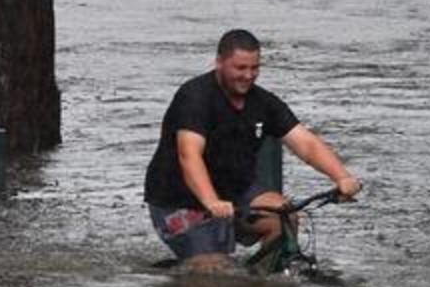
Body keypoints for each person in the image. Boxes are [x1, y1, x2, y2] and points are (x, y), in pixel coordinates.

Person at [143, 29, 362, 270]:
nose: (248, 76)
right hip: (180, 200)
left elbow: (305, 142)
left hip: (235, 190)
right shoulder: (195, 98)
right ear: (219, 63)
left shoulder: (263, 102)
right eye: (240, 68)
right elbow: (189, 155)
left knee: (285, 218)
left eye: (254, 68)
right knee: (214, 273)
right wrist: (211, 201)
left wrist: (342, 176)